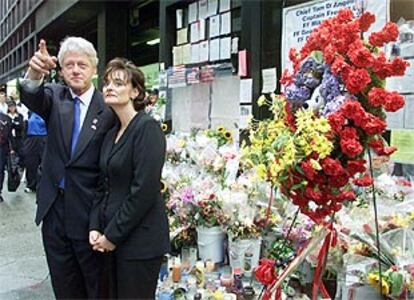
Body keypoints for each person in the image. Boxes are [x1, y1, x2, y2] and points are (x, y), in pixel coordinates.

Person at [18, 37, 115, 299]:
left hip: (89, 211)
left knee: (95, 283)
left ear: (94, 69)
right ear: (60, 70)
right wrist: (35, 71)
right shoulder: (54, 96)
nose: (75, 70)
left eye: (82, 64)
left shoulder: (108, 108)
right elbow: (30, 93)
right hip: (55, 210)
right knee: (62, 283)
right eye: (68, 64)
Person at [89, 58, 170, 299]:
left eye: (118, 83)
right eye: (106, 83)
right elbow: (103, 185)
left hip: (139, 242)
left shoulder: (147, 129)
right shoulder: (111, 133)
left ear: (135, 91)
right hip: (111, 238)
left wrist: (112, 235)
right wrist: (95, 226)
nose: (109, 88)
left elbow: (143, 190)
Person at [23, 111, 47, 193]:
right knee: (31, 162)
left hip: (44, 138)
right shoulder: (29, 112)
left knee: (44, 163)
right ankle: (31, 185)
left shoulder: (47, 110)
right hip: (31, 139)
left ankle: (43, 185)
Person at [7, 100, 25, 169]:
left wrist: (13, 124)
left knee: (22, 154)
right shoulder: (6, 116)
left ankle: (21, 167)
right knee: (11, 156)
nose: (12, 108)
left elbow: (20, 126)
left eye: (13, 106)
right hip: (9, 138)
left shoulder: (19, 116)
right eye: (10, 107)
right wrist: (14, 124)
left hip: (18, 138)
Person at [0, 111, 12, 203]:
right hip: (3, 148)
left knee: (0, 170)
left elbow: (9, 134)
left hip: (3, 148)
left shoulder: (6, 118)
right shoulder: (7, 118)